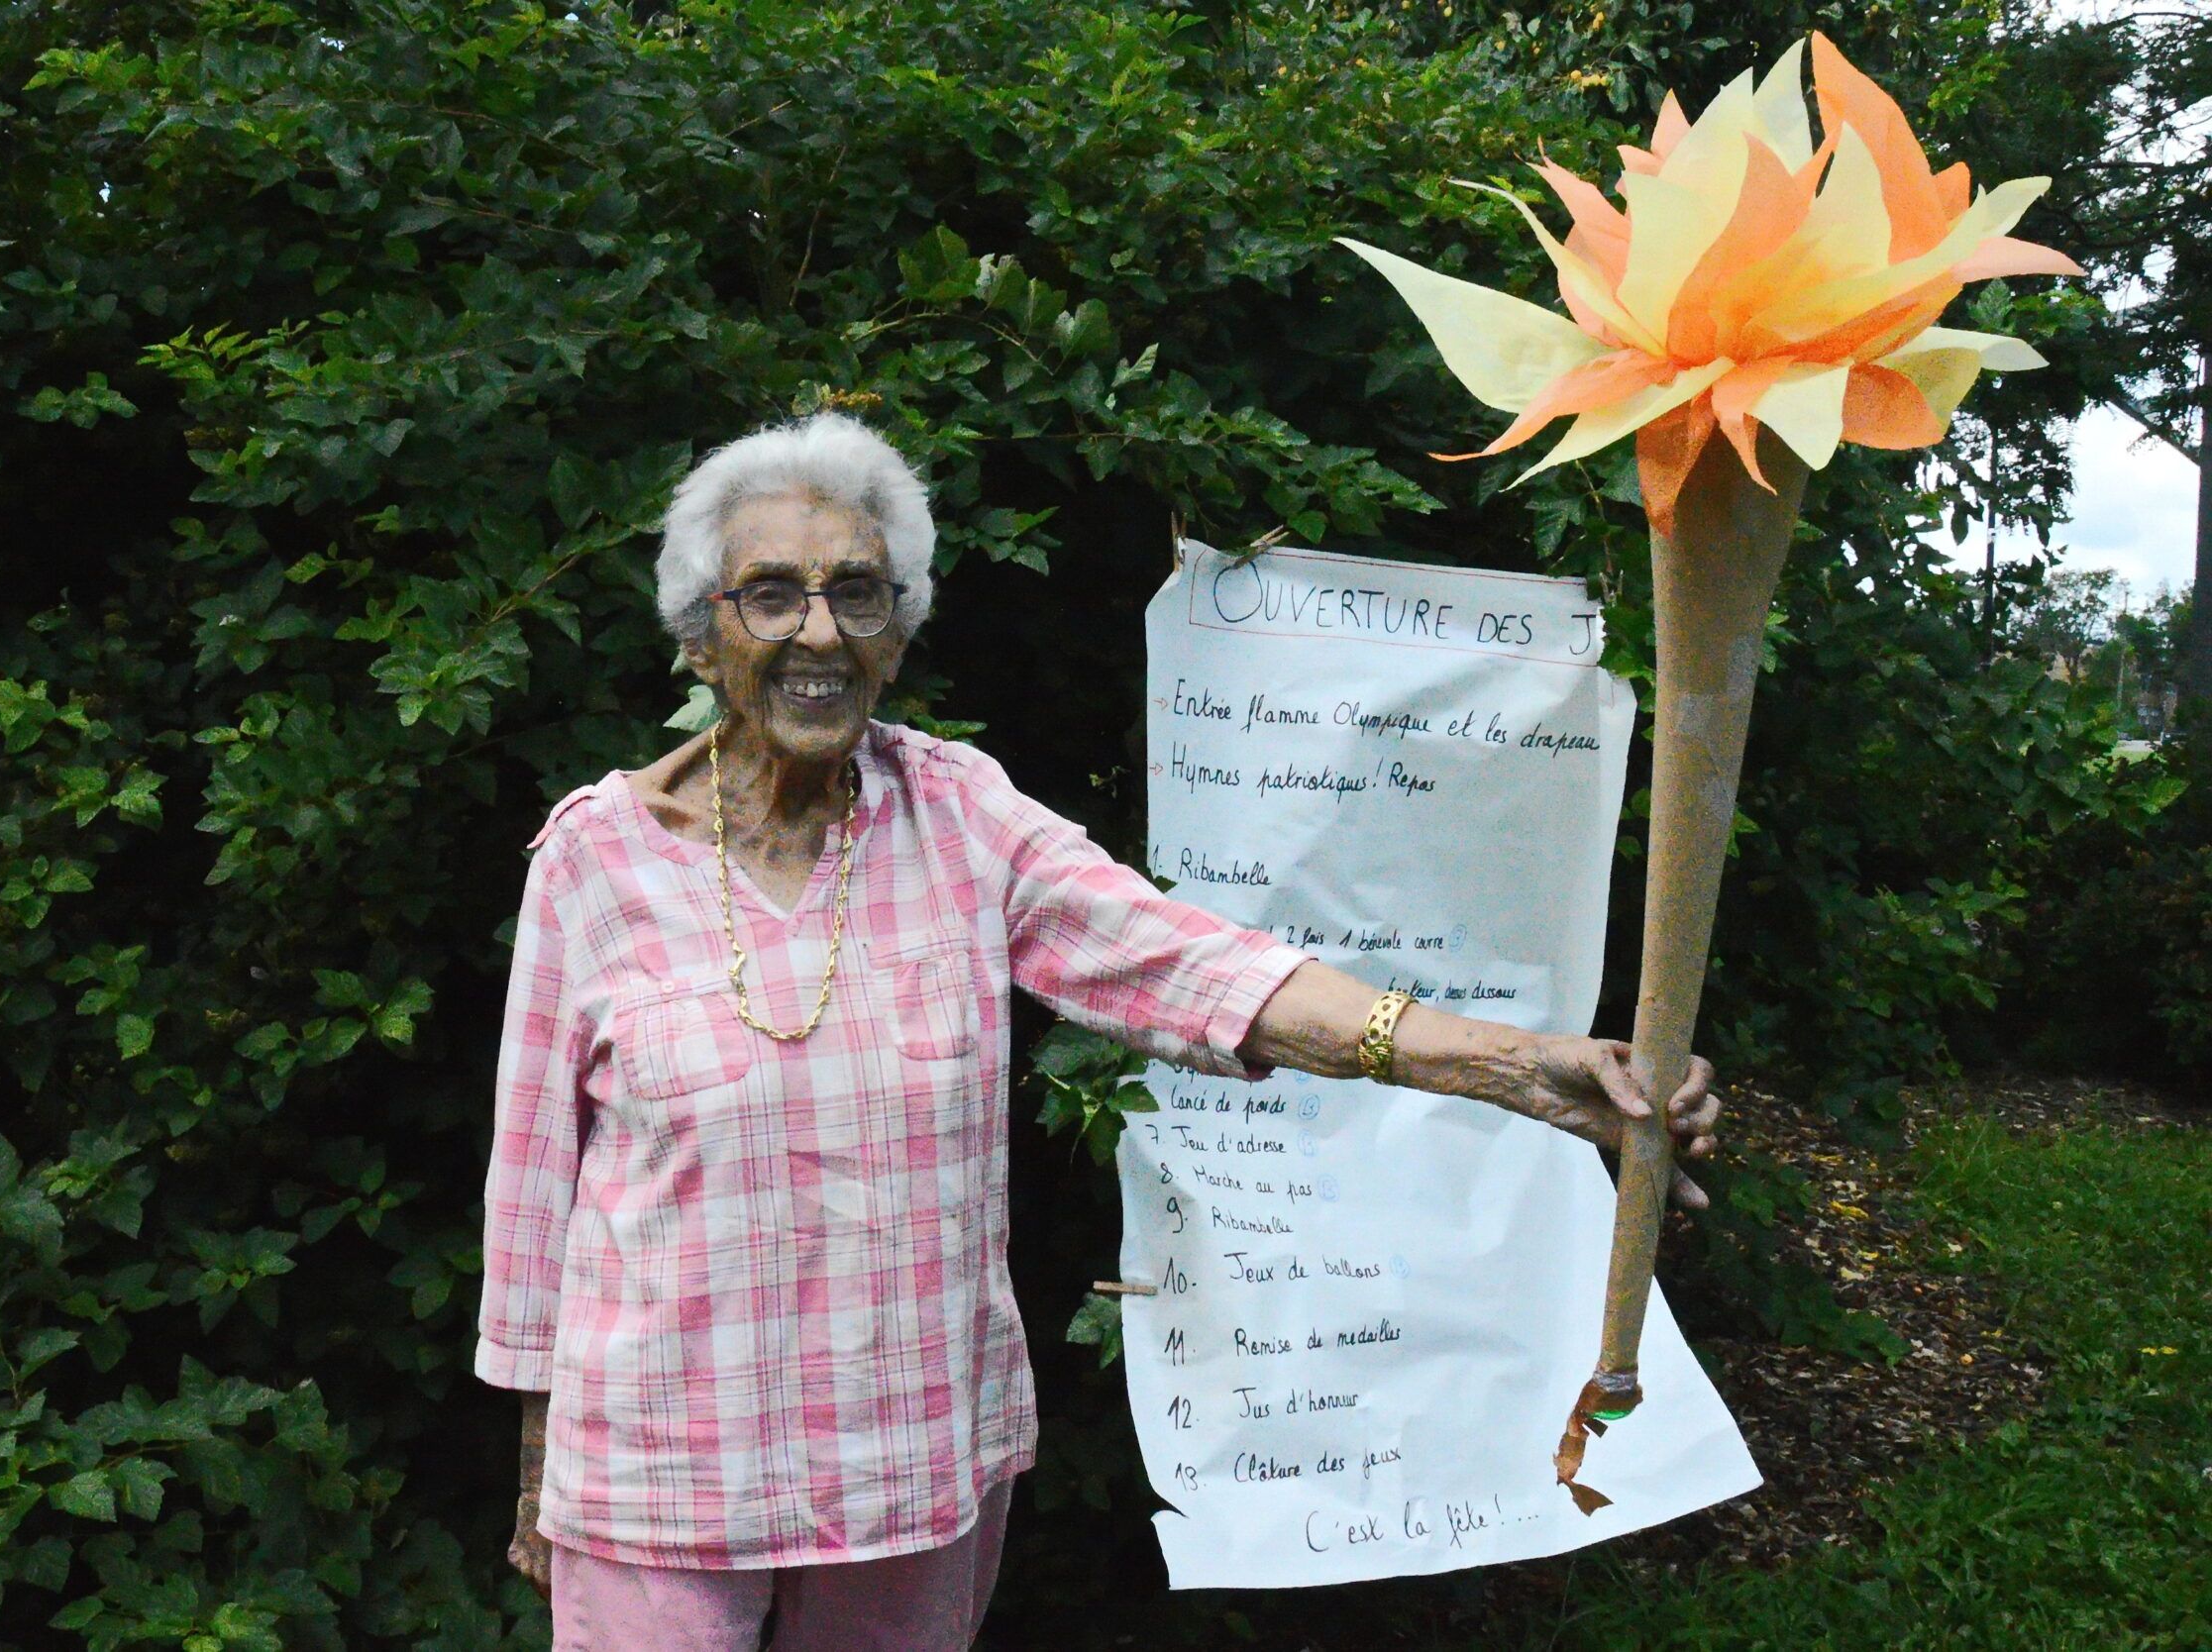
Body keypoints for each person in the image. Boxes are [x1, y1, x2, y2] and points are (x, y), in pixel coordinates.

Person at [474, 411, 1721, 1651]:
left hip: (910, 1462)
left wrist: (1519, 1067)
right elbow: (532, 1197)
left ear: (897, 635)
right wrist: (540, 1471)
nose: (819, 632)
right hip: (658, 1469)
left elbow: (1200, 970)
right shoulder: (594, 858)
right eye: (771, 595)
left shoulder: (960, 816)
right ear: (700, 634)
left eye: (858, 593)